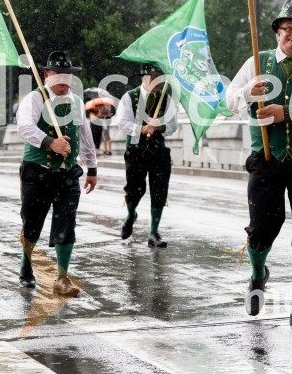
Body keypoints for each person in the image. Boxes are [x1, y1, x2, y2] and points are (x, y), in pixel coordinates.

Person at [226, 3, 292, 330]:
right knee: (261, 230)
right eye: (288, 29)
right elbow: (229, 100)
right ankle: (258, 273)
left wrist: (284, 112)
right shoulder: (256, 63)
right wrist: (248, 92)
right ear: (278, 33)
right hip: (266, 160)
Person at [16, 51, 98, 296]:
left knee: (66, 223)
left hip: (68, 174)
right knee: (32, 223)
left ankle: (62, 278)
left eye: (67, 75)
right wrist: (49, 142)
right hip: (37, 172)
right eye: (57, 74)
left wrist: (92, 168)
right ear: (46, 75)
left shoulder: (76, 102)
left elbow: (85, 136)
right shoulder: (35, 98)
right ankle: (26, 264)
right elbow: (24, 127)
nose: (63, 79)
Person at [115, 63, 178, 247]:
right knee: (134, 190)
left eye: (159, 78)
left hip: (159, 152)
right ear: (143, 78)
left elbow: (173, 125)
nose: (157, 82)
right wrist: (142, 129)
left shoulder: (166, 99)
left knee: (160, 190)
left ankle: (154, 232)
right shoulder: (130, 96)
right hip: (136, 152)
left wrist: (160, 126)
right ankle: (131, 214)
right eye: (152, 78)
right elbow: (122, 122)